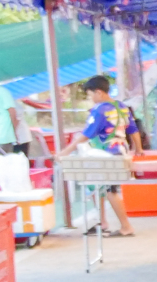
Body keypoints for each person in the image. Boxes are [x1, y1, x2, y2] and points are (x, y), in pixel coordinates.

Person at [58, 75, 138, 237]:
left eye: (90, 95)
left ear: (99, 92)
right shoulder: (122, 106)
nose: (90, 99)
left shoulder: (99, 110)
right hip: (120, 150)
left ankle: (126, 226)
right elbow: (133, 129)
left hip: (105, 154)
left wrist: (65, 152)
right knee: (98, 185)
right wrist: (139, 149)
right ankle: (102, 222)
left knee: (109, 190)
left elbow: (86, 134)